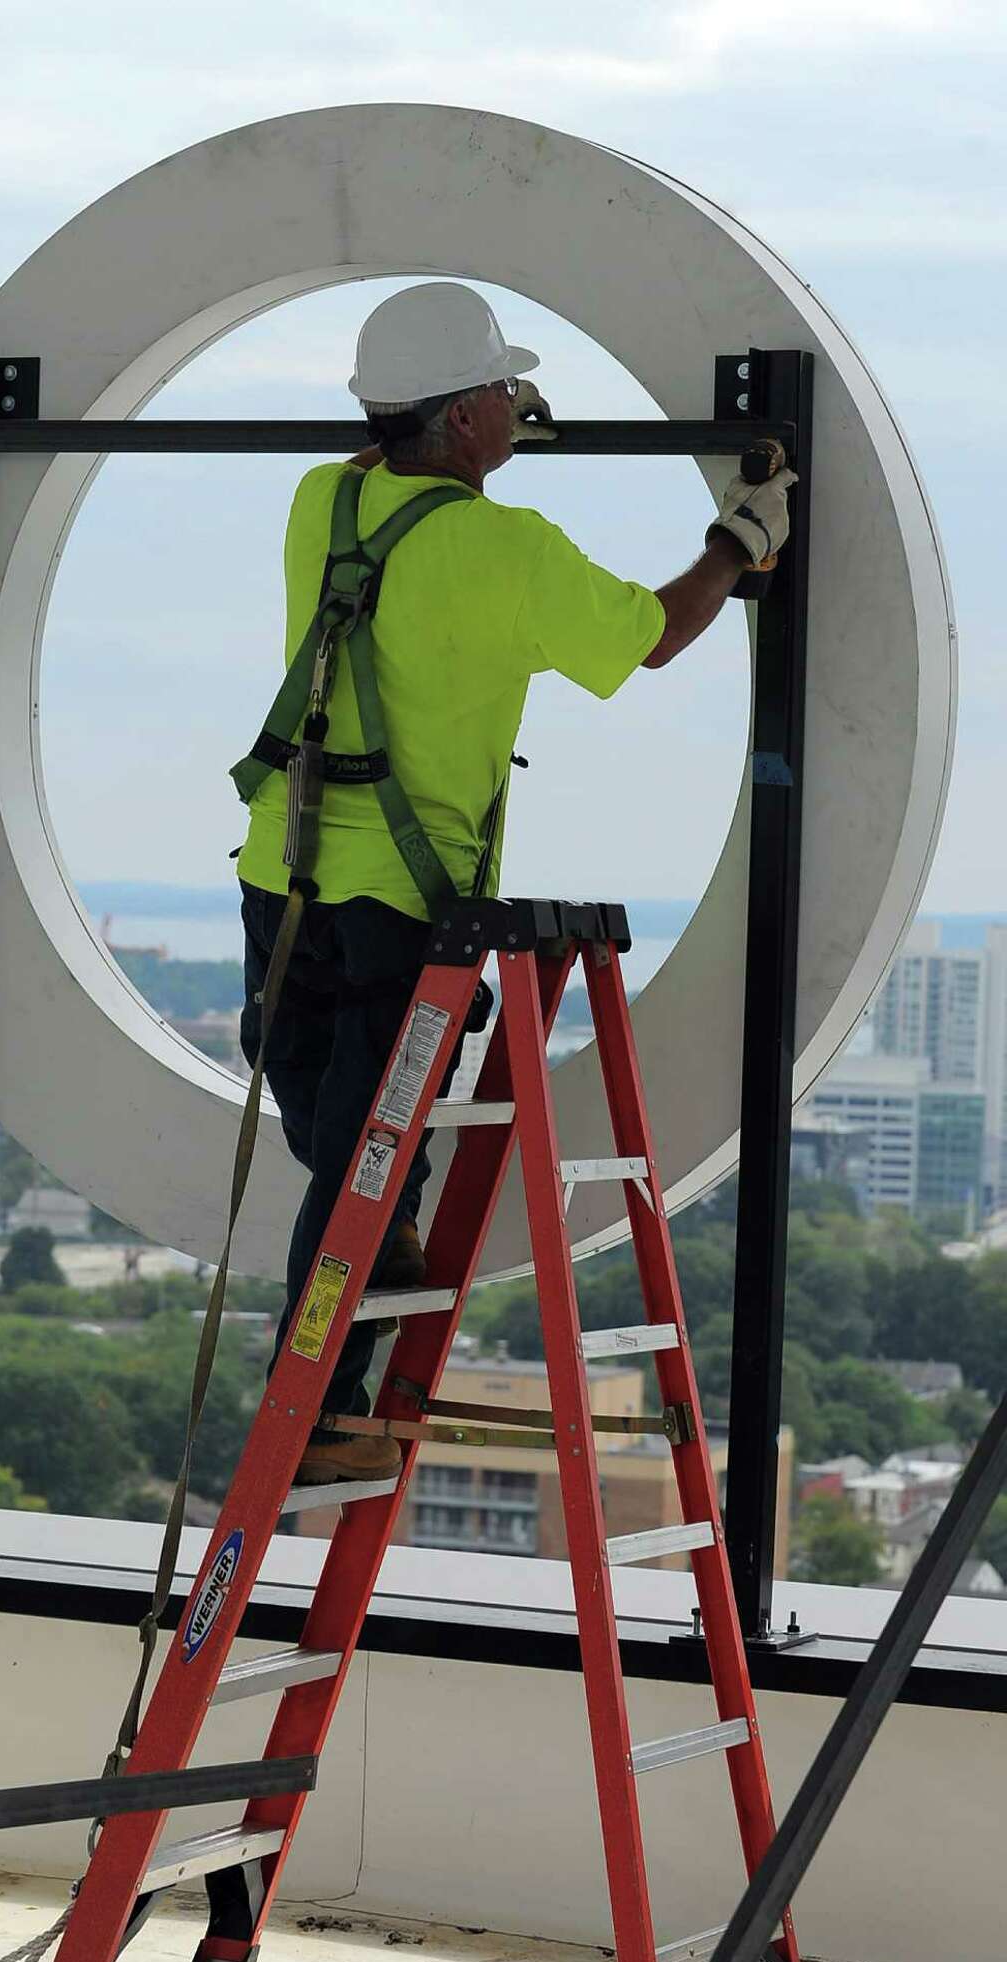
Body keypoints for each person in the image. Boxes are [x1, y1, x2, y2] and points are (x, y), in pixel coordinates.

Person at [234, 282, 794, 1484]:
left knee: (336, 1135)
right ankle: (320, 1409)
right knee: (356, 1167)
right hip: (398, 904)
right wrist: (739, 542)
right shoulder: (508, 549)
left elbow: (382, 448)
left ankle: (375, 1259)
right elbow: (650, 631)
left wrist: (479, 420)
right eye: (499, 392)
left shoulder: (319, 501)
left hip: (277, 881)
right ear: (468, 415)